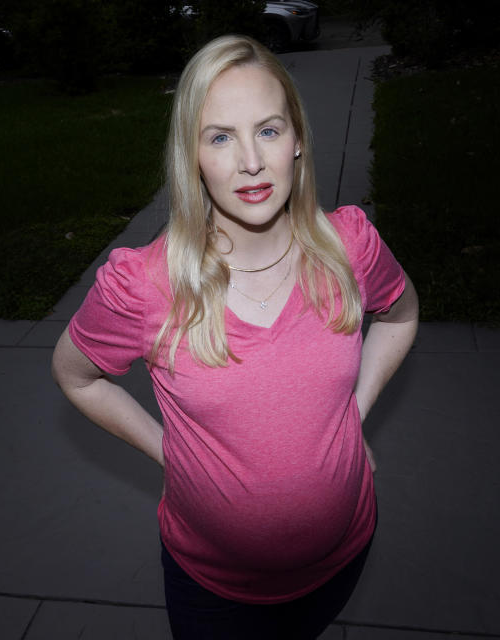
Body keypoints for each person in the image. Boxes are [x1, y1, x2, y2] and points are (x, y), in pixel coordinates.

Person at [51, 34, 419, 639]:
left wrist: (352, 414)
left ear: (298, 141)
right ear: (190, 156)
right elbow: (76, 375)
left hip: (343, 556)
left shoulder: (348, 248)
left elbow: (401, 316)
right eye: (220, 137)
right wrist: (169, 451)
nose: (251, 161)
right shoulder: (145, 286)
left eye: (269, 130)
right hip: (214, 594)